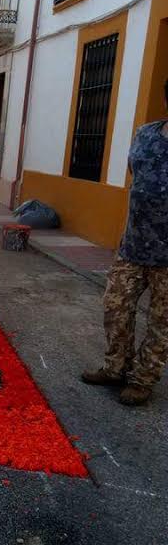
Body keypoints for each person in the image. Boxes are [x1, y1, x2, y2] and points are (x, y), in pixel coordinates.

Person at [82, 79, 168, 406]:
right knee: (115, 308)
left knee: (161, 325)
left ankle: (143, 379)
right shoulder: (146, 134)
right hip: (133, 247)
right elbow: (135, 173)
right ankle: (116, 366)